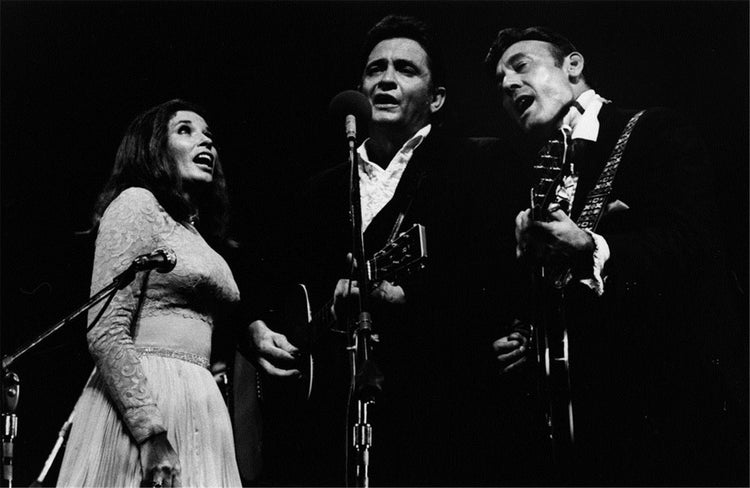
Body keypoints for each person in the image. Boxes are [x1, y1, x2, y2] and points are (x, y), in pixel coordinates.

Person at [244, 14, 519, 486]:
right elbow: (259, 278)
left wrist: (410, 301)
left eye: (406, 70)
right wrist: (255, 329)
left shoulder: (479, 166)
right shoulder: (317, 191)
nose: (386, 79)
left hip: (436, 418)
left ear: (437, 99)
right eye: (375, 70)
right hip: (322, 428)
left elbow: (498, 290)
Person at [484, 26, 747, 486]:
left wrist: (593, 246)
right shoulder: (535, 182)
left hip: (672, 424)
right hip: (589, 437)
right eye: (501, 80)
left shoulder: (654, 129)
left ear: (573, 66)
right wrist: (528, 335)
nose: (507, 84)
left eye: (521, 66)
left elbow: (698, 249)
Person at [56, 99, 243, 487]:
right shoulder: (136, 204)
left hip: (201, 401)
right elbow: (106, 332)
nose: (206, 142)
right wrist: (150, 432)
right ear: (153, 147)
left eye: (209, 135)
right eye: (186, 130)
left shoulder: (195, 234)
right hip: (149, 400)